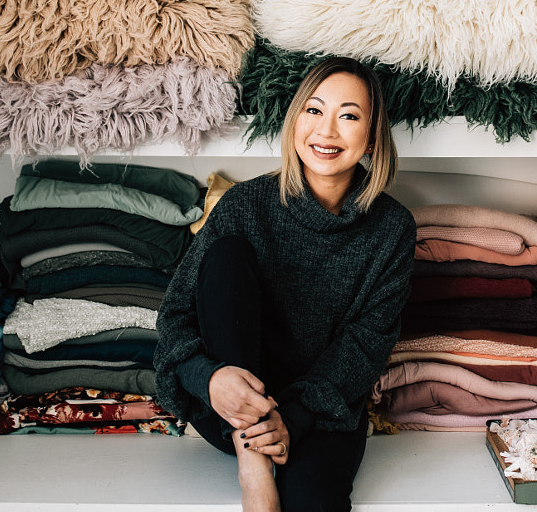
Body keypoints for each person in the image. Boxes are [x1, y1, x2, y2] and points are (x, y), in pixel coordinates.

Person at [154, 56, 417, 512]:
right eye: (313, 110)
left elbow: (365, 346)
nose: (327, 131)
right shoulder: (244, 205)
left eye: (348, 116)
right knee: (227, 256)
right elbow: (175, 319)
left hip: (321, 407)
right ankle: (251, 461)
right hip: (229, 402)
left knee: (313, 498)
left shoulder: (392, 227)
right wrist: (210, 378)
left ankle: (260, 443)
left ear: (372, 136)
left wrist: (289, 418)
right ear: (295, 120)